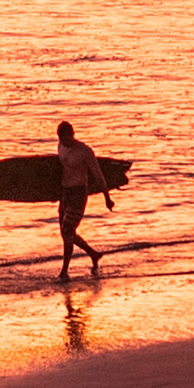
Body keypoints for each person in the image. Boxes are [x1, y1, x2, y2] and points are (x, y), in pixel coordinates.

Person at [55, 119, 114, 282]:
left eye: (67, 138)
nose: (64, 142)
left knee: (67, 231)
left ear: (73, 135)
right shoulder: (60, 147)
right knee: (66, 232)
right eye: (61, 139)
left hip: (79, 193)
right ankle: (93, 254)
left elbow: (97, 174)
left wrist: (107, 197)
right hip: (65, 193)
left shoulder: (84, 151)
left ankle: (64, 272)